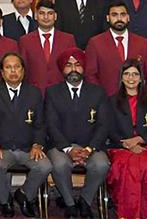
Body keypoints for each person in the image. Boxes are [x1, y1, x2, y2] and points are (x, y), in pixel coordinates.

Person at [0, 53, 50, 218]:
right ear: (2, 72)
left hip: (28, 148)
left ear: (23, 71)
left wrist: (37, 145)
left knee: (45, 166)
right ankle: (5, 201)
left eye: (17, 67)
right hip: (2, 148)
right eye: (8, 67)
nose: (13, 71)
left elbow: (41, 124)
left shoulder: (34, 93)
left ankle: (25, 195)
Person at [44, 49, 110, 219]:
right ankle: (70, 203)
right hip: (61, 147)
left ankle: (85, 201)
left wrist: (88, 149)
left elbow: (103, 125)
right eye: (68, 65)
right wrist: (68, 149)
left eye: (77, 64)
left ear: (84, 68)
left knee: (101, 165)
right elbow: (51, 125)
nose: (73, 69)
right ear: (62, 69)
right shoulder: (52, 92)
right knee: (59, 165)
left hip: (90, 145)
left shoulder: (98, 92)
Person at [104, 60, 147, 219]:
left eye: (135, 74)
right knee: (126, 167)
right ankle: (127, 214)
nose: (131, 78)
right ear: (121, 78)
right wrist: (128, 145)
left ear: (141, 78)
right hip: (120, 146)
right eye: (127, 74)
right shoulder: (111, 101)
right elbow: (109, 129)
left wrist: (140, 139)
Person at [84, 1, 147, 95]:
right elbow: (90, 75)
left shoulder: (143, 43)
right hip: (107, 102)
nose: (119, 18)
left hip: (138, 102)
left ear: (128, 17)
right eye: (114, 15)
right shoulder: (95, 43)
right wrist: (100, 99)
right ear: (108, 18)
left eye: (122, 15)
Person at [18, 0, 76, 90]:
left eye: (50, 13)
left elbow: (72, 68)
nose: (46, 17)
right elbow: (22, 69)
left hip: (61, 93)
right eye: (42, 13)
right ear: (36, 16)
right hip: (34, 93)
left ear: (55, 16)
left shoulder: (68, 39)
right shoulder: (25, 40)